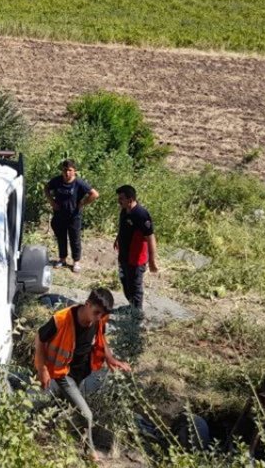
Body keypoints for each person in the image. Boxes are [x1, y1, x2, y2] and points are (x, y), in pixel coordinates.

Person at [34, 287, 132, 459]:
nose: (99, 318)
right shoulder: (62, 319)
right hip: (64, 373)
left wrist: (111, 359)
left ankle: (47, 424)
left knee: (68, 403)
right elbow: (40, 338)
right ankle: (90, 452)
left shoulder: (99, 318)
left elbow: (102, 339)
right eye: (96, 313)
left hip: (82, 371)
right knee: (87, 414)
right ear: (87, 304)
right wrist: (42, 369)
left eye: (102, 315)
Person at [44, 159, 99, 272]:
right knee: (61, 237)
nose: (67, 173)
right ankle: (62, 259)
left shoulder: (79, 183)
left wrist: (83, 203)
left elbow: (94, 194)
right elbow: (46, 188)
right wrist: (51, 202)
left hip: (74, 216)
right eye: (65, 170)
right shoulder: (57, 181)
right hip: (59, 214)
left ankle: (76, 262)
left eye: (70, 170)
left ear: (75, 171)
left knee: (75, 239)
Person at [113, 185, 158, 317]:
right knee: (124, 281)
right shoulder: (124, 210)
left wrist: (152, 261)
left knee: (135, 285)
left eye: (121, 198)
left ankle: (137, 313)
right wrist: (117, 239)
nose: (118, 201)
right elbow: (123, 227)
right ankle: (131, 306)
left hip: (136, 258)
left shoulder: (141, 214)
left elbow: (151, 238)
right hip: (124, 255)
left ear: (130, 199)